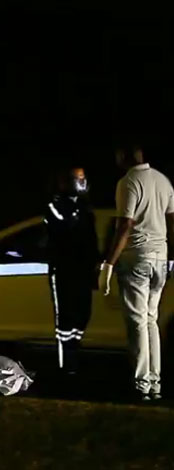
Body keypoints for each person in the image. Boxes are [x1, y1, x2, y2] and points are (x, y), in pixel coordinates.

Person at [100, 145, 174, 401]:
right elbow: (171, 221)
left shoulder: (128, 182)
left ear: (124, 156)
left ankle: (141, 385)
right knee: (152, 320)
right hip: (160, 257)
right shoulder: (163, 181)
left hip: (136, 258)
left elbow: (126, 225)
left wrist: (109, 263)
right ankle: (155, 383)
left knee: (137, 323)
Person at [44, 167, 99, 374]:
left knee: (83, 313)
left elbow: (90, 239)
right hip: (64, 270)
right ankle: (66, 366)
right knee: (65, 320)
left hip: (82, 270)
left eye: (83, 178)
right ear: (65, 182)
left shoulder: (85, 207)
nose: (82, 183)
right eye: (78, 179)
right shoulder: (56, 206)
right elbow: (66, 227)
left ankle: (74, 353)